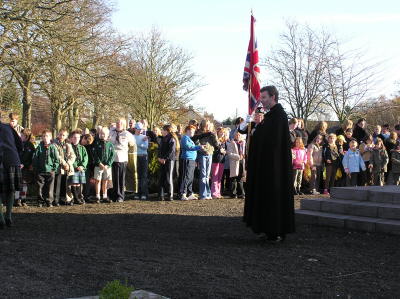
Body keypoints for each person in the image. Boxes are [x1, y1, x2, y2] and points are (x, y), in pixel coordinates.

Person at [244, 85, 295, 242]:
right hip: (268, 166)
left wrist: (257, 132)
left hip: (274, 167)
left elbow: (272, 142)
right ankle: (268, 228)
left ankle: (275, 230)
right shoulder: (272, 116)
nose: (262, 101)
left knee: (274, 197)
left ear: (273, 97)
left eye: (264, 98)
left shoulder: (278, 116)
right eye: (261, 98)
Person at [0, 120, 23, 229]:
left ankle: (1, 219)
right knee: (11, 190)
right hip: (13, 159)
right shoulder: (8, 127)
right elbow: (19, 144)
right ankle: (8, 216)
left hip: (3, 160)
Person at [109, 118, 136, 202]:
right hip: (111, 158)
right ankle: (113, 195)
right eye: (117, 122)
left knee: (120, 178)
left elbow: (132, 144)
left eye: (120, 123)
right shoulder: (111, 132)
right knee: (113, 178)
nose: (118, 124)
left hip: (121, 158)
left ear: (124, 124)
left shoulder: (127, 134)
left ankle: (120, 195)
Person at [193, 120, 220, 200]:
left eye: (208, 125)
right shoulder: (199, 132)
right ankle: (203, 194)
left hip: (210, 154)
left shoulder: (211, 133)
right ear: (203, 125)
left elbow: (216, 145)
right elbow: (196, 142)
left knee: (207, 175)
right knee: (203, 175)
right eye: (206, 124)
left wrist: (214, 136)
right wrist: (203, 150)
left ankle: (208, 193)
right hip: (202, 154)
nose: (207, 126)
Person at [33, 130, 60, 207]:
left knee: (50, 187)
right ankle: (40, 201)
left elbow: (56, 159)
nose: (45, 138)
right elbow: (35, 158)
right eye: (43, 136)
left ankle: (49, 201)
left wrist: (54, 169)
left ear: (50, 137)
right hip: (40, 171)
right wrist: (37, 168)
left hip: (50, 171)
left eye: (47, 136)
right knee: (39, 187)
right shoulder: (39, 147)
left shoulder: (53, 147)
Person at [179, 125, 202, 200]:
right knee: (186, 177)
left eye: (194, 131)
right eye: (192, 131)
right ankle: (183, 193)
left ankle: (190, 193)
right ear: (188, 131)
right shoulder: (184, 138)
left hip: (192, 160)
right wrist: (199, 147)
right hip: (186, 159)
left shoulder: (189, 139)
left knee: (190, 177)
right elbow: (188, 147)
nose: (193, 132)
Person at [53, 129, 76, 206]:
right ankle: (56, 200)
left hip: (67, 168)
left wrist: (68, 163)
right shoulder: (54, 144)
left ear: (66, 136)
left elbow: (73, 155)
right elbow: (57, 156)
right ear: (58, 135)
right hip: (59, 168)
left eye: (63, 135)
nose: (61, 136)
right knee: (58, 185)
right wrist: (64, 163)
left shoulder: (68, 144)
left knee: (67, 184)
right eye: (60, 134)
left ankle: (66, 199)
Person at [92, 127, 115, 203]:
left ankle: (105, 196)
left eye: (104, 134)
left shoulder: (110, 144)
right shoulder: (96, 143)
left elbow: (112, 155)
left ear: (107, 135)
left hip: (107, 167)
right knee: (97, 180)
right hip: (98, 166)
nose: (102, 135)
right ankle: (97, 196)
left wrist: (108, 164)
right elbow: (94, 154)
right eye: (101, 133)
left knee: (105, 181)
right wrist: (99, 163)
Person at [17, 129, 36, 206]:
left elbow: (31, 157)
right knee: (18, 184)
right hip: (18, 166)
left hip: (26, 167)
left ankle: (23, 199)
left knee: (24, 184)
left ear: (26, 136)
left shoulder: (30, 145)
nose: (20, 136)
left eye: (21, 135)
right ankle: (17, 199)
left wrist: (25, 164)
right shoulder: (18, 144)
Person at [69, 130, 88, 205]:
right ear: (72, 138)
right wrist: (76, 166)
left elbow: (85, 158)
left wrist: (82, 166)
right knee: (74, 183)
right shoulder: (69, 147)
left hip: (81, 169)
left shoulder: (82, 148)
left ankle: (79, 197)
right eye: (74, 137)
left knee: (79, 183)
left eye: (77, 137)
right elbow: (69, 157)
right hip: (73, 168)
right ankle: (75, 198)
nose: (76, 139)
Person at [158, 124, 176, 201]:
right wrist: (159, 157)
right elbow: (159, 149)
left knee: (168, 178)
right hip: (162, 160)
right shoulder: (162, 139)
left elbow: (171, 151)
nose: (162, 131)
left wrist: (165, 158)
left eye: (163, 130)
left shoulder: (172, 139)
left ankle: (170, 195)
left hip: (169, 160)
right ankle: (161, 195)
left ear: (167, 131)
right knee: (161, 178)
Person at [227, 131, 246, 199]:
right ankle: (233, 194)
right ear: (234, 136)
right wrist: (238, 156)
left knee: (240, 178)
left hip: (242, 162)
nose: (238, 136)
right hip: (234, 162)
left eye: (239, 135)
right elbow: (229, 153)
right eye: (236, 135)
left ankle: (241, 193)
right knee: (233, 178)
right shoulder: (231, 143)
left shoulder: (244, 143)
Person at [133, 122, 149, 200]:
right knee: (136, 176)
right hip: (135, 157)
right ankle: (136, 193)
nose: (140, 131)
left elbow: (145, 147)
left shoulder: (144, 137)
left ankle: (143, 193)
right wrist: (140, 143)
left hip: (143, 157)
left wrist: (138, 144)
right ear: (135, 129)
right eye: (138, 129)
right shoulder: (132, 137)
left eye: (141, 129)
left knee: (143, 176)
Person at [211, 127, 228, 199]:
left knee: (219, 178)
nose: (222, 133)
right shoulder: (215, 140)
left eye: (223, 132)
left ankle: (218, 192)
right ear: (218, 132)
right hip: (215, 160)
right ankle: (214, 193)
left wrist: (224, 151)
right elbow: (214, 149)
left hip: (222, 161)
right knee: (215, 177)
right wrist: (220, 151)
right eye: (221, 132)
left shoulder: (224, 141)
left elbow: (225, 151)